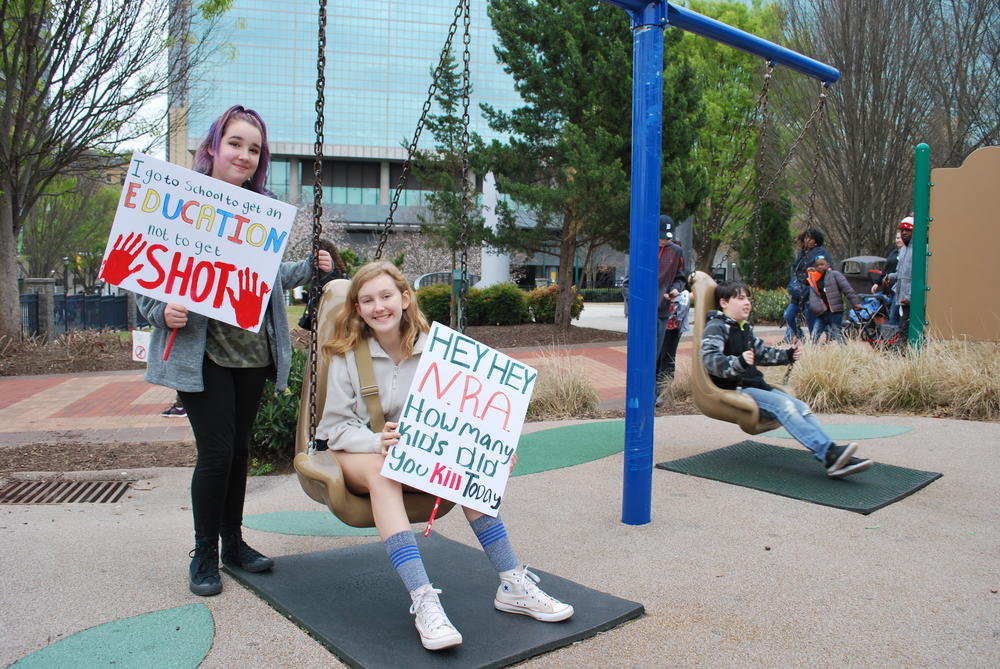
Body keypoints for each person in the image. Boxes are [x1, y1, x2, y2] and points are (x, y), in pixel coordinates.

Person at [316, 261, 573, 651]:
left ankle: (512, 582)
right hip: (357, 449)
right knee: (383, 474)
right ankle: (424, 600)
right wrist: (375, 441)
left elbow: (469, 413)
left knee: (470, 468)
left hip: (409, 449)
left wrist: (492, 447)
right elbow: (334, 427)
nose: (378, 307)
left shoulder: (438, 347)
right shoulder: (347, 354)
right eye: (367, 300)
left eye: (386, 296)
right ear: (357, 309)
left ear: (404, 298)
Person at [137, 105, 333, 597]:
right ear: (212, 147)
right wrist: (162, 312)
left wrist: (309, 267)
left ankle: (233, 544)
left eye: (253, 148)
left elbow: (264, 281)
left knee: (239, 451)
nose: (244, 155)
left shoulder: (259, 210)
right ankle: (204, 552)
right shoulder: (178, 201)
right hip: (203, 356)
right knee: (217, 453)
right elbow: (145, 277)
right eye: (235, 143)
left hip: (252, 353)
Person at [701, 281, 874, 478]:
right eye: (740, 298)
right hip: (734, 388)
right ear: (724, 303)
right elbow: (710, 359)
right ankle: (829, 455)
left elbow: (762, 353)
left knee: (801, 407)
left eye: (749, 298)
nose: (747, 303)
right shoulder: (716, 327)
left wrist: (787, 355)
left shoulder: (743, 328)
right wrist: (738, 362)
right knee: (785, 405)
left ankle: (833, 452)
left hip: (754, 386)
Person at [785, 229, 833, 341]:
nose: (807, 240)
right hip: (798, 292)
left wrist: (816, 271)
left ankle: (813, 343)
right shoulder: (801, 254)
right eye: (806, 238)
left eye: (810, 238)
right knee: (788, 316)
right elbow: (795, 270)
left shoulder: (821, 253)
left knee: (811, 318)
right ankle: (801, 337)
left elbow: (827, 269)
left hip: (812, 292)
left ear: (816, 241)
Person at [655, 215, 685, 393]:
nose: (664, 240)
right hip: (648, 307)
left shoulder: (676, 251)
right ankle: (648, 391)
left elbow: (680, 276)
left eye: (667, 237)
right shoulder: (646, 248)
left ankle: (659, 391)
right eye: (661, 237)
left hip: (666, 308)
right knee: (649, 354)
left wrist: (676, 288)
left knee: (664, 352)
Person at [807, 256, 861, 344]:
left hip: (834, 311)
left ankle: (845, 351)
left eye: (822, 264)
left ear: (827, 265)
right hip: (822, 312)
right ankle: (810, 353)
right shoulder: (814, 279)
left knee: (837, 332)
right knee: (814, 334)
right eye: (817, 265)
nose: (820, 267)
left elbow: (847, 289)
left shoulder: (835, 275)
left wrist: (855, 303)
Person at [885, 216, 913, 337]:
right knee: (900, 326)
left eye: (908, 230)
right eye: (902, 230)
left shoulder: (920, 250)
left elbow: (921, 277)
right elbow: (900, 273)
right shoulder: (903, 250)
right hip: (900, 297)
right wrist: (890, 277)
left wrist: (910, 297)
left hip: (911, 300)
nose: (904, 232)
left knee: (905, 329)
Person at [873, 229, 904, 327]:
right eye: (897, 238)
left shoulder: (907, 253)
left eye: (900, 238)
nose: (898, 240)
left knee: (894, 314)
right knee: (890, 313)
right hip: (889, 289)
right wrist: (877, 283)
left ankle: (894, 337)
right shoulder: (894, 252)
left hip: (900, 288)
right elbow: (885, 269)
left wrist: (891, 277)